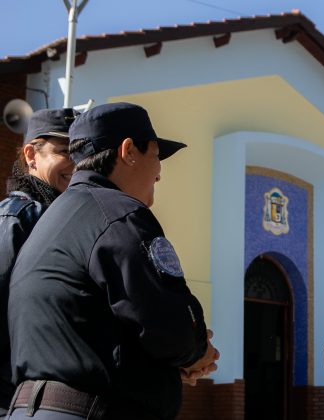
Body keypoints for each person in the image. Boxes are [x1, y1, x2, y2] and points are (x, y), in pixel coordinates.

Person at [6, 102, 219, 420]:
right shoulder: (119, 214)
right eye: (157, 156)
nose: (159, 174)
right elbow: (170, 327)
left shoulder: (55, 219)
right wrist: (196, 351)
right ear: (129, 150)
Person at [0, 108, 77, 415]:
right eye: (64, 152)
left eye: (80, 153)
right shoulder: (18, 217)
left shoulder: (66, 217)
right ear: (32, 155)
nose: (76, 163)